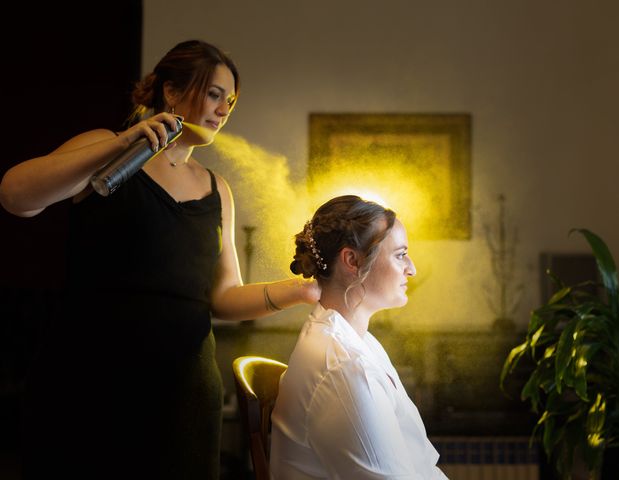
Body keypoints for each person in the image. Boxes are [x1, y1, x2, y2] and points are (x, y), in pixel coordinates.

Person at [0, 39, 318, 479]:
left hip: (183, 395)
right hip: (88, 380)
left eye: (231, 100)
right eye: (213, 93)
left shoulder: (216, 189)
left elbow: (223, 298)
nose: (224, 109)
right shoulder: (106, 147)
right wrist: (123, 142)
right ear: (170, 92)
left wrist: (300, 291)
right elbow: (16, 196)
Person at [270, 195, 447, 479]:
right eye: (400, 255)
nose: (411, 269)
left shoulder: (359, 342)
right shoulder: (343, 365)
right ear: (352, 260)